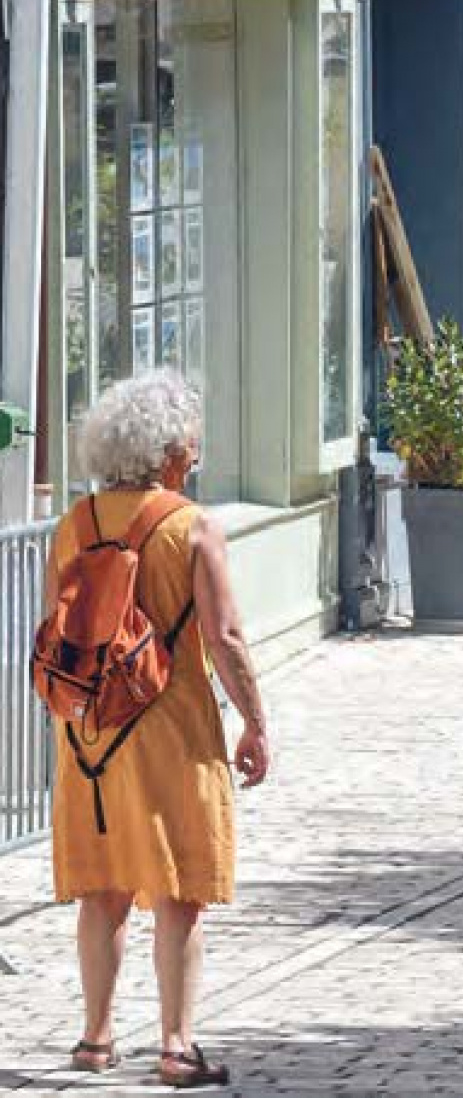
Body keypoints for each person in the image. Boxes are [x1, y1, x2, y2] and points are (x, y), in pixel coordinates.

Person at [46, 370, 269, 1088]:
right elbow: (226, 636)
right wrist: (256, 723)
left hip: (90, 729)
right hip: (170, 722)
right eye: (191, 446)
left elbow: (68, 625)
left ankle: (95, 1039)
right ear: (168, 451)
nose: (195, 458)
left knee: (102, 886)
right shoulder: (192, 525)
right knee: (180, 888)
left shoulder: (74, 525)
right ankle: (176, 1044)